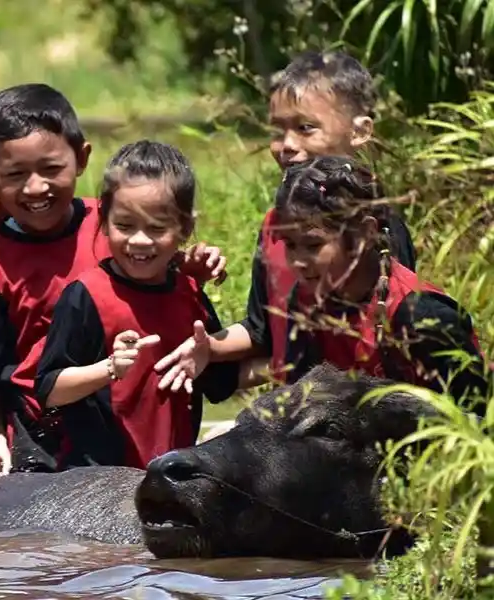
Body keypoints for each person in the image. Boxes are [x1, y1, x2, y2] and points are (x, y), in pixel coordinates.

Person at [0, 84, 226, 489]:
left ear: (82, 159)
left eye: (51, 169)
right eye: (15, 175)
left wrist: (187, 263)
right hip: (44, 445)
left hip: (143, 427)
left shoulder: (119, 220)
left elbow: (160, 261)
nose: (36, 188)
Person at [156, 50, 418, 389]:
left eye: (306, 128)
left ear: (359, 132)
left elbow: (392, 341)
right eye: (278, 131)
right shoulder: (275, 225)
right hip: (297, 411)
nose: (287, 145)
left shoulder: (375, 229)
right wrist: (208, 346)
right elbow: (263, 330)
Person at [168, 156, 489, 409]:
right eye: (290, 246)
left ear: (364, 234)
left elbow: (472, 425)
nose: (297, 261)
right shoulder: (307, 302)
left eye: (312, 245)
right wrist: (210, 350)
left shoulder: (421, 317)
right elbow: (298, 404)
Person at [34, 141, 239, 469]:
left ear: (185, 227)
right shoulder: (86, 295)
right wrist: (110, 368)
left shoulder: (189, 293)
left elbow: (222, 386)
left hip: (169, 475)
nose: (140, 241)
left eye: (157, 228)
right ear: (103, 219)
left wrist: (206, 357)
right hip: (95, 480)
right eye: (125, 225)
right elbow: (49, 390)